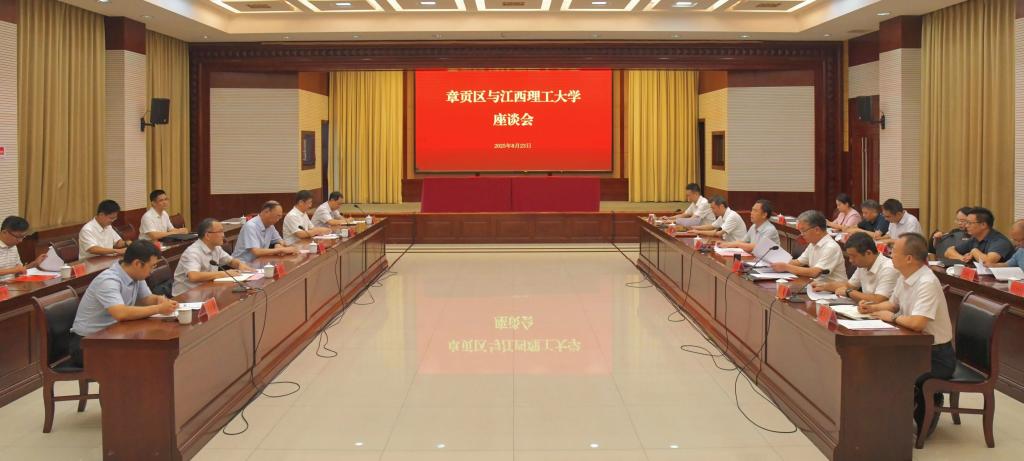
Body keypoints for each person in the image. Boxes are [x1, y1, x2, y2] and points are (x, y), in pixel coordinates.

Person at [857, 233, 954, 434]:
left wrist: (891, 318)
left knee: (889, 370)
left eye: (894, 252)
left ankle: (910, 418)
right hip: (914, 347)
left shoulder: (926, 282)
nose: (889, 254)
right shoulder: (905, 275)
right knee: (871, 362)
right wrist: (872, 308)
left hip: (934, 355)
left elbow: (917, 323)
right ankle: (881, 418)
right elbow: (893, 304)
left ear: (909, 258)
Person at [68, 241, 178, 366]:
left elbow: (145, 299)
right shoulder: (108, 280)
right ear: (137, 264)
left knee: (155, 349)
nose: (152, 271)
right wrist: (158, 308)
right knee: (145, 357)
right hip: (87, 343)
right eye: (152, 266)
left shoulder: (136, 275)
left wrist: (158, 299)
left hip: (114, 334)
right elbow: (121, 313)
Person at [172, 219, 254, 297]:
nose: (223, 235)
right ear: (207, 235)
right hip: (186, 295)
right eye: (220, 232)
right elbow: (193, 276)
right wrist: (224, 274)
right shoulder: (192, 252)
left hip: (206, 290)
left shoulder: (216, 248)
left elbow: (230, 261)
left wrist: (239, 264)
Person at [812, 232, 898, 303]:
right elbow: (849, 285)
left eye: (853, 256)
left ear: (868, 253)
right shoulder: (863, 265)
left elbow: (879, 299)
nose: (850, 260)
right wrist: (824, 286)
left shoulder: (888, 268)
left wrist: (849, 292)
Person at [771, 210, 848, 284]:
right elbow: (798, 262)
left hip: (834, 291)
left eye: (803, 231)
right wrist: (775, 263)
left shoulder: (831, 247)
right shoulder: (813, 244)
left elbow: (815, 272)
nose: (801, 234)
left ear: (817, 230)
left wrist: (786, 267)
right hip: (818, 287)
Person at [231, 201, 298, 264]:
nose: (278, 220)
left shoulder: (270, 226)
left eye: (280, 217)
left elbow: (280, 241)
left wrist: (278, 245)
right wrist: (281, 250)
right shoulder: (251, 226)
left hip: (259, 262)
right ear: (267, 212)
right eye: (277, 216)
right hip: (242, 265)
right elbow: (256, 252)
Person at [944, 207, 1015, 265]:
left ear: (983, 225)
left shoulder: (1000, 241)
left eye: (969, 223)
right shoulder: (975, 238)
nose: (966, 226)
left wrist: (974, 251)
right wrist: (962, 258)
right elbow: (948, 252)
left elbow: (988, 262)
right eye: (966, 222)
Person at [0, 216, 47, 281]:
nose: (20, 241)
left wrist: (34, 263)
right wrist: (14, 270)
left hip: (11, 284)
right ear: (4, 232)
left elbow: (19, 270)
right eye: (18, 237)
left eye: (23, 237)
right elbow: (15, 270)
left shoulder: (13, 247)